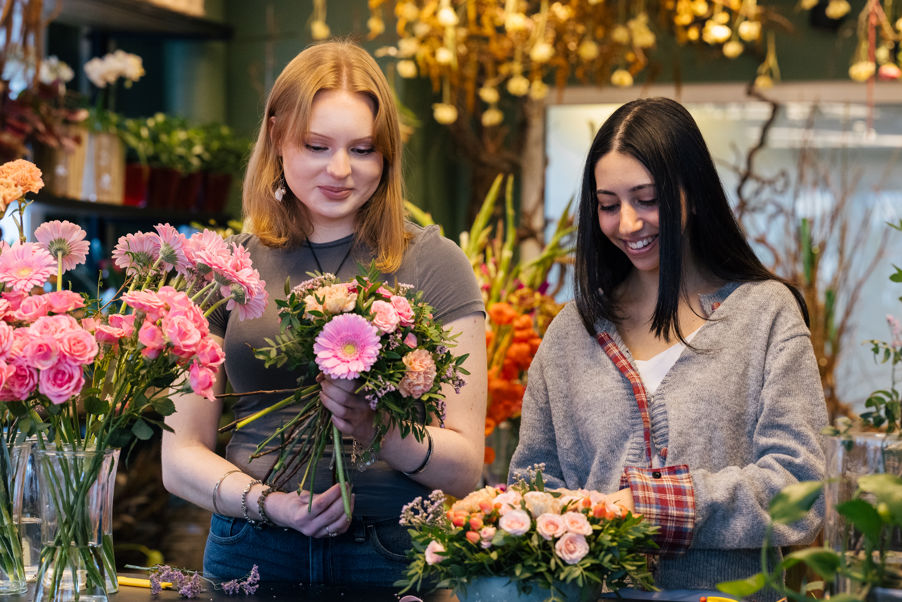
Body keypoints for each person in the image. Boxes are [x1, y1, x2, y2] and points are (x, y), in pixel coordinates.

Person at [160, 40, 487, 587]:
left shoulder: (435, 263)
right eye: (317, 145)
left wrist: (374, 426)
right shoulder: (227, 270)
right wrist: (272, 505)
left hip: (389, 550)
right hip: (252, 546)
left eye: (363, 149)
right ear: (277, 137)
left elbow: (464, 466)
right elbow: (180, 456)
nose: (341, 170)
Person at [508, 97, 826, 601]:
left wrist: (653, 506)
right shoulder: (572, 331)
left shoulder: (765, 315)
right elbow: (530, 487)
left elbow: (802, 489)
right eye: (608, 205)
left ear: (693, 194)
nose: (628, 224)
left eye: (647, 199)